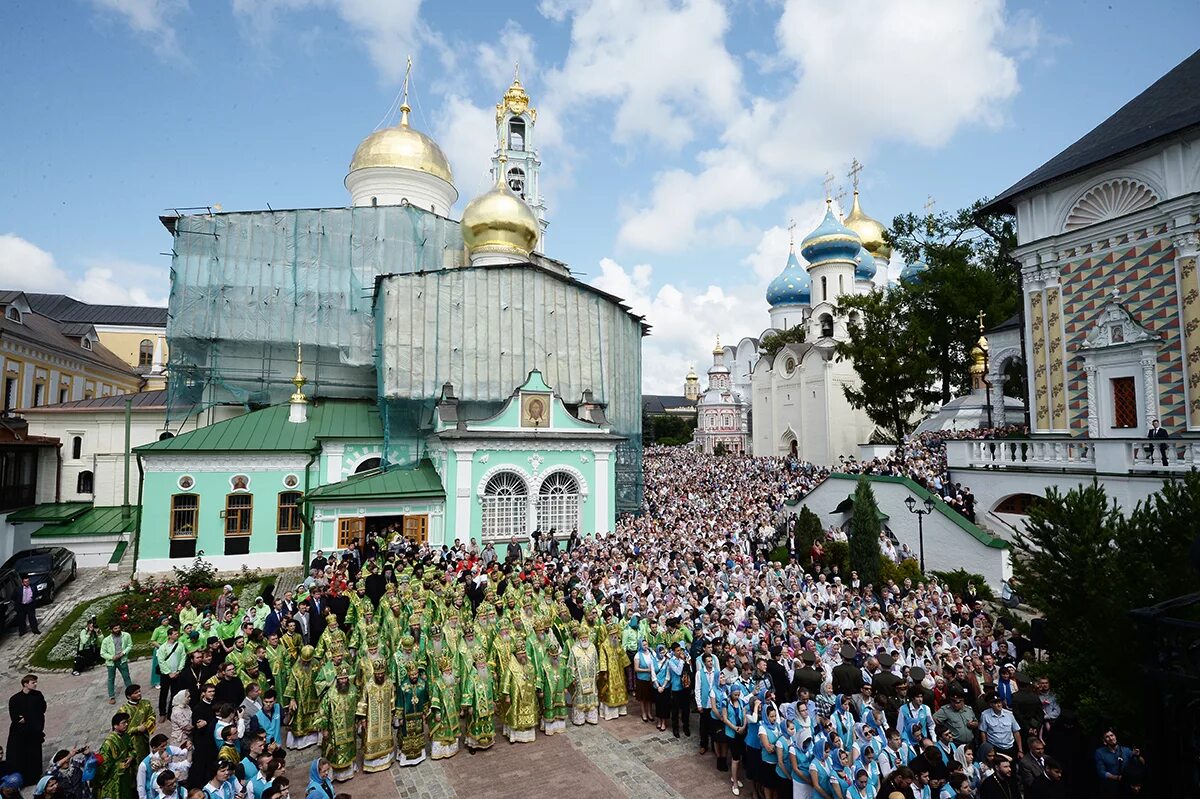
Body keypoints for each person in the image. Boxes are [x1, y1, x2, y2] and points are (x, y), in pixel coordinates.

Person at [317, 668, 357, 782]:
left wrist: (359, 720)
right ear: (337, 679)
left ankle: (349, 771)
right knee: (334, 752)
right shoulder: (330, 694)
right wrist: (324, 729)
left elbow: (358, 706)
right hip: (334, 730)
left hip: (349, 728)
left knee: (349, 749)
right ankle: (335, 774)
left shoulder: (353, 690)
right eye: (341, 679)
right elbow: (323, 712)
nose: (344, 681)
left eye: (345, 678)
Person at [354, 662, 395, 773]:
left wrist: (392, 713)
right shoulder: (368, 686)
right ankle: (371, 764)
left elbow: (392, 699)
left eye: (382, 673)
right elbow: (363, 702)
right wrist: (362, 720)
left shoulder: (389, 683)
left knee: (386, 735)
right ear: (374, 673)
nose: (380, 676)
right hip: (372, 720)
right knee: (371, 737)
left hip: (385, 719)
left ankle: (386, 760)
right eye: (378, 674)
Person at [7, 676, 46, 785]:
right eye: (33, 682)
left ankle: (35, 777)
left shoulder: (38, 695)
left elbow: (42, 709)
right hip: (20, 735)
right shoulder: (15, 699)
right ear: (25, 684)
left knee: (34, 755)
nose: (35, 684)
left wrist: (28, 717)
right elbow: (17, 719)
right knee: (20, 756)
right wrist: (31, 717)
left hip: (34, 732)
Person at [1094, 729, 1141, 798]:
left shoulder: (1126, 750)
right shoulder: (1099, 752)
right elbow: (1101, 772)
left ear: (1115, 737)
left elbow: (1141, 764)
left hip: (1126, 787)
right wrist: (1117, 778)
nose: (1110, 738)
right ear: (1104, 742)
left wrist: (1138, 755)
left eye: (1112, 735)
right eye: (1107, 737)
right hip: (1110, 788)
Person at [98, 713, 135, 799]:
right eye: (123, 723)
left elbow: (132, 749)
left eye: (127, 722)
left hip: (126, 773)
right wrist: (120, 765)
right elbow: (104, 765)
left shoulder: (126, 735)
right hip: (114, 777)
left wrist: (131, 757)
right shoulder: (109, 743)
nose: (126, 724)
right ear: (115, 726)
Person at [119, 686, 156, 762]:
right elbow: (121, 728)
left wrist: (146, 725)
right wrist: (137, 729)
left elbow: (152, 715)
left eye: (139, 691)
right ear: (129, 696)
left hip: (144, 738)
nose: (139, 694)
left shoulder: (146, 703)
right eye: (136, 693)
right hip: (131, 741)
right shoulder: (124, 710)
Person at [101, 624, 135, 705]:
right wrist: (112, 657)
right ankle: (111, 696)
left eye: (119, 628)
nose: (118, 629)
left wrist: (123, 653)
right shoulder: (106, 640)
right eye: (115, 628)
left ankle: (132, 693)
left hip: (122, 660)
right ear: (111, 630)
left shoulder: (126, 635)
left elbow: (130, 645)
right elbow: (102, 653)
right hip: (111, 662)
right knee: (111, 679)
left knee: (126, 676)